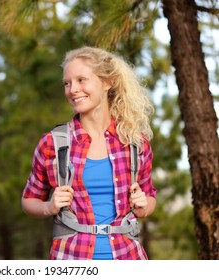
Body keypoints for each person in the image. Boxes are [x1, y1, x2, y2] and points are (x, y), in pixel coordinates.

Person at [21, 46, 156, 260]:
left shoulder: (134, 143)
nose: (72, 89)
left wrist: (143, 205)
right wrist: (49, 206)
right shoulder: (53, 143)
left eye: (81, 80)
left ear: (107, 82)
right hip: (72, 258)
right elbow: (29, 200)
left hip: (127, 256)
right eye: (67, 83)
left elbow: (149, 198)